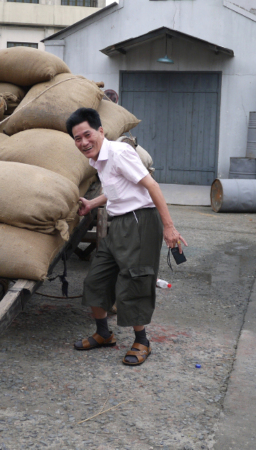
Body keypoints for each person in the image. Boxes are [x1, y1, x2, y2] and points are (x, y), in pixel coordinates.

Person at [66, 107, 187, 366]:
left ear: (101, 131)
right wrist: (92, 203)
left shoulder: (119, 152)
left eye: (87, 135)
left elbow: (151, 185)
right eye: (77, 138)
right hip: (119, 223)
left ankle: (142, 341)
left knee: (135, 280)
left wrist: (169, 227)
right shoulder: (98, 160)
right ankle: (103, 334)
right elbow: (118, 188)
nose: (84, 142)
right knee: (95, 280)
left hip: (140, 221)